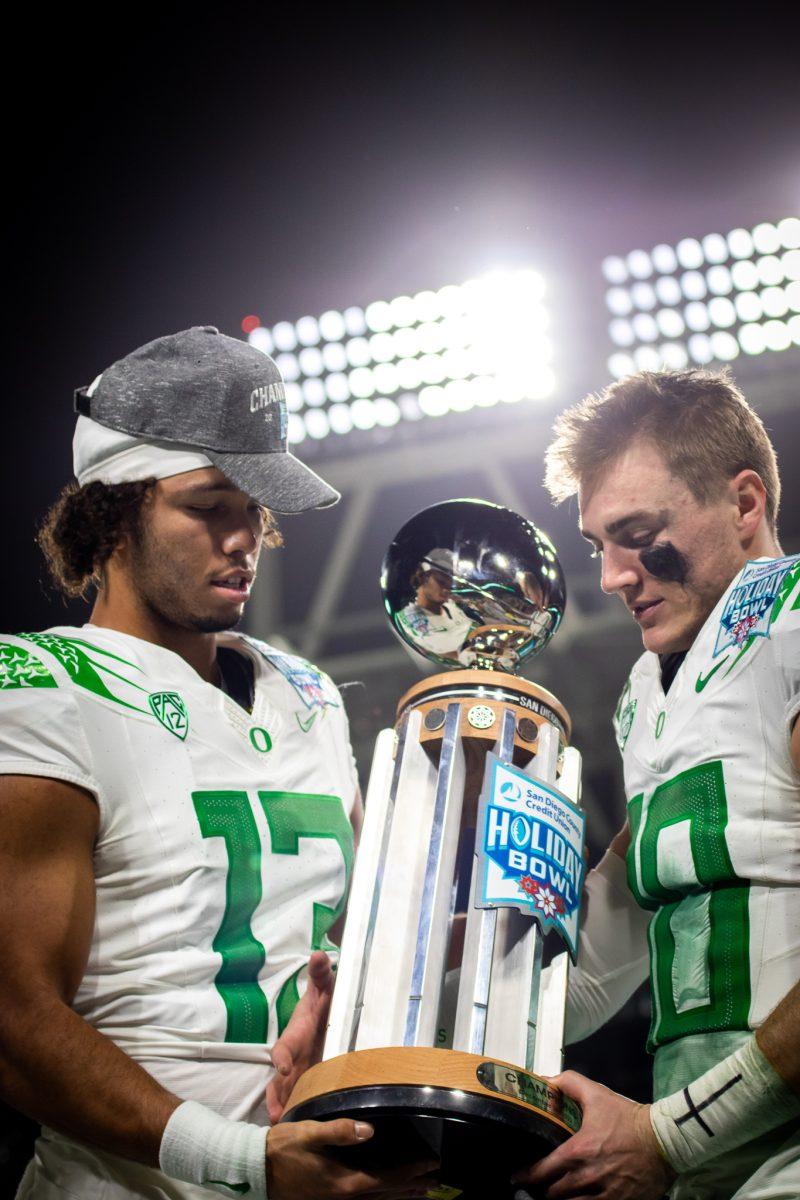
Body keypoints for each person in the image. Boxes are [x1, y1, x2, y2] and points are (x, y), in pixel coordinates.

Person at [0, 327, 436, 1200]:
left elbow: (355, 942)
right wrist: (239, 1160)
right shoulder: (40, 686)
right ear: (111, 509)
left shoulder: (303, 690)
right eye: (208, 506)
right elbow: (14, 1019)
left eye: (254, 509)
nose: (243, 538)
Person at [512, 367, 800, 1199]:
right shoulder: (651, 690)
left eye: (637, 533)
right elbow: (617, 945)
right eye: (598, 544)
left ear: (745, 505)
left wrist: (667, 1134)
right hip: (720, 1168)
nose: (610, 576)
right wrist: (425, 1017)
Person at [396, 548, 476, 662]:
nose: (447, 589)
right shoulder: (408, 618)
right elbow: (440, 651)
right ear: (422, 576)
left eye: (451, 585)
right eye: (441, 581)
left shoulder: (451, 607)